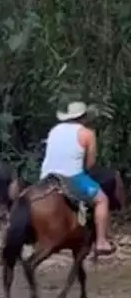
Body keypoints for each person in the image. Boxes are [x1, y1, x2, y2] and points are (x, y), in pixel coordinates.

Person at [39, 101, 116, 256]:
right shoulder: (87, 133)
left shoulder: (55, 130)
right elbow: (90, 163)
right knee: (102, 200)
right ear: (84, 117)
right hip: (71, 177)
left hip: (46, 176)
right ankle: (101, 241)